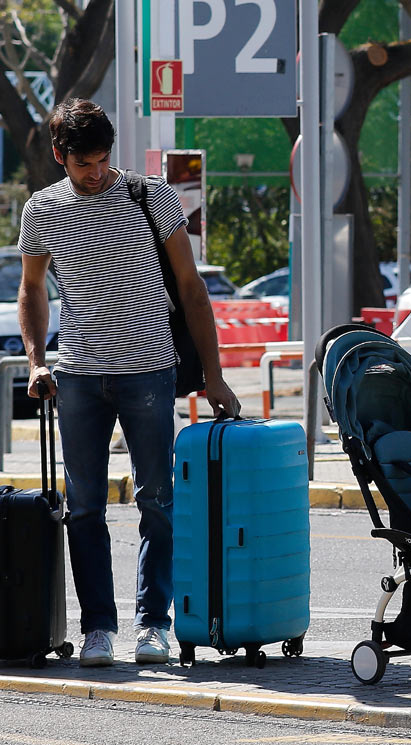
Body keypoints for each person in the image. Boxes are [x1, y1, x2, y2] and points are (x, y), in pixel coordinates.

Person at [17, 98, 241, 667]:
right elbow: (32, 289)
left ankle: (153, 624)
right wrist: (37, 360)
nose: (95, 172)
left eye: (101, 160)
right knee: (85, 506)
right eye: (82, 163)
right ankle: (97, 629)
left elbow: (191, 288)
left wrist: (213, 376)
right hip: (79, 378)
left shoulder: (153, 195)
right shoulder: (42, 209)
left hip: (149, 371)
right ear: (58, 156)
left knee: (158, 502)